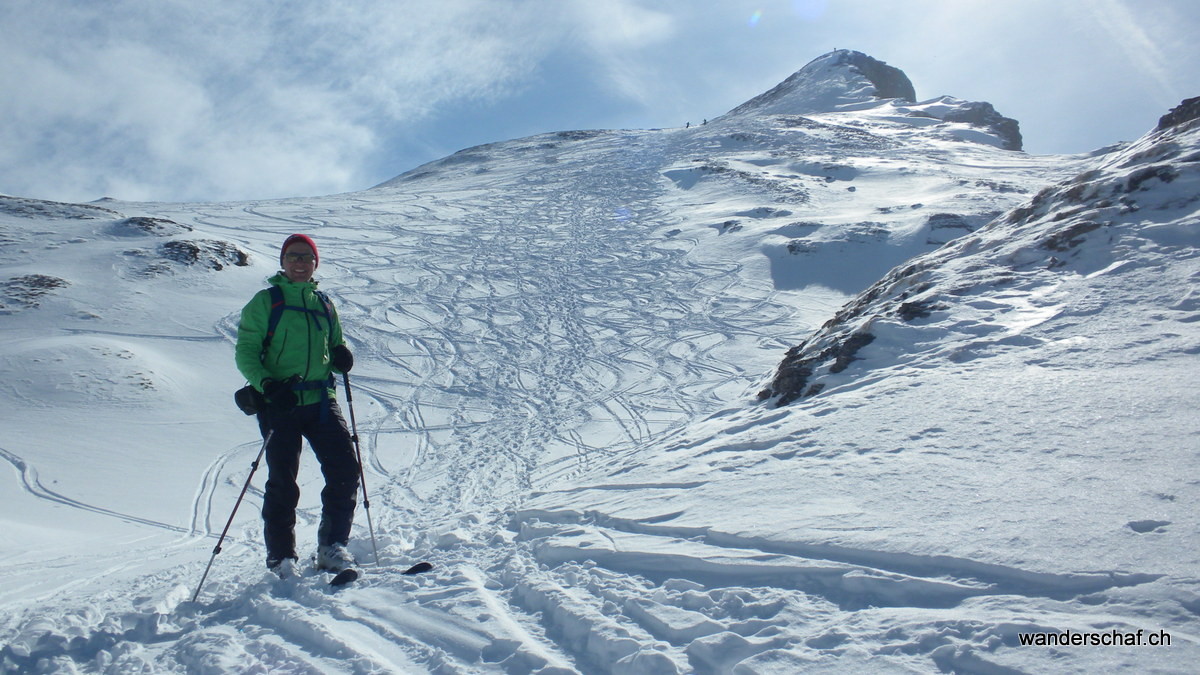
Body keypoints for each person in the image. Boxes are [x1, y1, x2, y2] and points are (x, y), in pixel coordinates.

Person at [234, 233, 359, 578]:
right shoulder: (266, 302)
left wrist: (342, 355)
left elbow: (336, 343)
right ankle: (281, 557)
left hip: (321, 400)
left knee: (345, 470)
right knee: (283, 481)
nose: (300, 263)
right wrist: (268, 385)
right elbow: (245, 351)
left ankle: (332, 546)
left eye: (306, 257)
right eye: (293, 257)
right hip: (280, 403)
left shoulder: (324, 304)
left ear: (315, 263)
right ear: (283, 262)